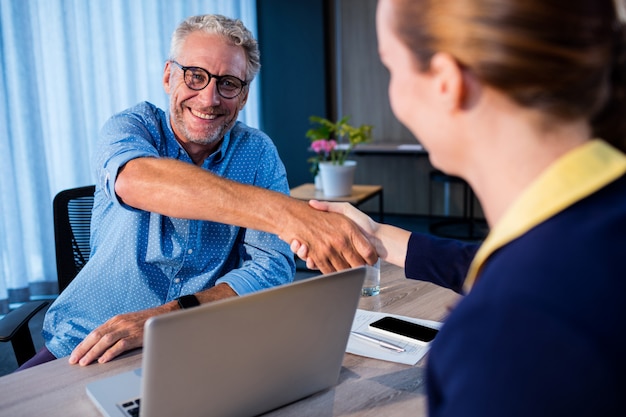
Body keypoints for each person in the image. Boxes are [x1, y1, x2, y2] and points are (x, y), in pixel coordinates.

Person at [294, 0, 626, 415]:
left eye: (391, 68)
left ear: (447, 83)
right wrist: (374, 235)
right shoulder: (591, 233)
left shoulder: (510, 329)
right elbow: (495, 265)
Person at [19, 14, 376, 371]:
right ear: (168, 76)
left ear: (244, 95)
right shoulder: (130, 127)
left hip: (201, 339)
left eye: (228, 83)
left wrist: (168, 316)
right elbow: (135, 181)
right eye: (195, 76)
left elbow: (270, 267)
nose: (209, 99)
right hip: (88, 341)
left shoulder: (258, 153)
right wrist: (288, 214)